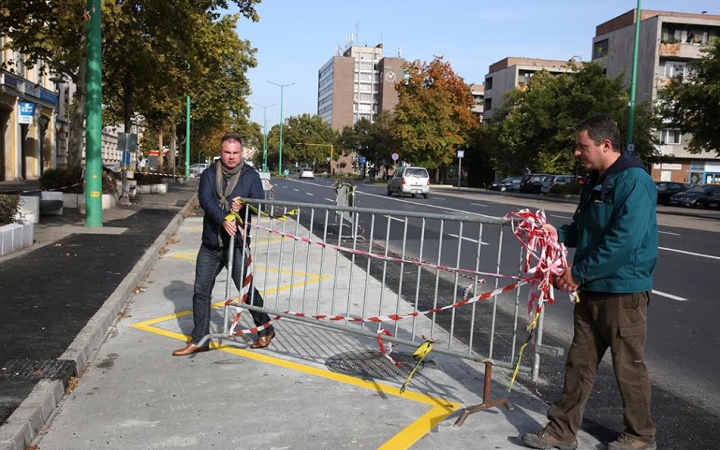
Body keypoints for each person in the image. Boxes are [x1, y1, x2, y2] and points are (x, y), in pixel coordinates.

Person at [522, 114, 658, 450]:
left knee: (628, 367)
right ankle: (561, 431)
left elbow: (623, 240)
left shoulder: (634, 182)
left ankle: (641, 435)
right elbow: (584, 228)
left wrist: (577, 273)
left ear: (606, 145)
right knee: (579, 364)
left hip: (622, 292)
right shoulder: (598, 179)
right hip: (591, 290)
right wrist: (559, 234)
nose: (576, 152)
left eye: (583, 146)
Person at [173, 133, 276, 356]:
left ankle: (266, 329)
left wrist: (245, 204)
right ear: (221, 152)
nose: (231, 157)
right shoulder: (209, 173)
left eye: (235, 153)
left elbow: (260, 204)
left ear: (242, 153)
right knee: (201, 291)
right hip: (211, 244)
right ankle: (200, 339)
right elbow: (205, 200)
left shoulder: (251, 176)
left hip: (237, 245)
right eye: (227, 152)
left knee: (246, 291)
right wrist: (223, 219)